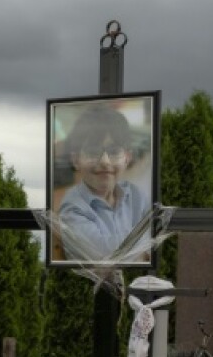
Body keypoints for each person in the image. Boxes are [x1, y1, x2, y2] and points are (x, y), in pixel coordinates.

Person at [57, 105, 150, 259]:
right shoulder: (72, 209)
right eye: (93, 152)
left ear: (127, 158)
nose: (105, 161)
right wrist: (143, 246)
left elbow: (152, 247)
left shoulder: (136, 196)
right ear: (75, 160)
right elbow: (107, 257)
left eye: (114, 152)